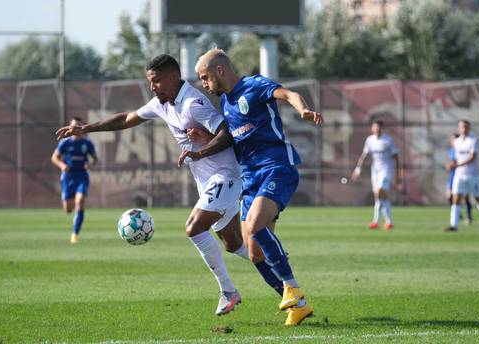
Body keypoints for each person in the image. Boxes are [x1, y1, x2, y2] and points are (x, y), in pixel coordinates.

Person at [56, 54, 249, 315]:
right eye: (150, 81)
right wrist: (86, 129)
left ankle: (228, 291)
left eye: (157, 80)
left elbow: (227, 132)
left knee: (194, 228)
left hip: (226, 175)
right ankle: (281, 273)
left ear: (174, 77)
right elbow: (126, 119)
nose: (152, 87)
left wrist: (199, 151)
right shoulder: (163, 104)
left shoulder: (193, 103)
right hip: (207, 181)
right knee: (234, 244)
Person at [188, 48, 323, 326]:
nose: (204, 84)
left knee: (254, 225)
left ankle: (292, 288)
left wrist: (303, 109)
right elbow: (233, 138)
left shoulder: (255, 85)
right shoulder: (225, 102)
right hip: (250, 178)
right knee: (254, 253)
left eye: (205, 77)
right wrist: (203, 138)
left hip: (277, 166)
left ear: (220, 71)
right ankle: (297, 306)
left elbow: (288, 94)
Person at [51, 117, 98, 244]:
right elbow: (54, 157)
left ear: (81, 128)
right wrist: (62, 165)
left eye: (77, 126)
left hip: (82, 176)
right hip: (68, 177)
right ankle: (68, 204)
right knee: (68, 209)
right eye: (73, 126)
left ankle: (75, 234)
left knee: (80, 202)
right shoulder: (65, 143)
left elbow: (95, 159)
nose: (74, 128)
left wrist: (90, 164)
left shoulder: (87, 143)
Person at [351, 120, 401, 230]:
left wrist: (398, 175)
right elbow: (364, 155)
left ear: (382, 128)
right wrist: (357, 169)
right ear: (372, 128)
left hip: (386, 170)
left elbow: (396, 157)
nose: (376, 129)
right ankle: (388, 222)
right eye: (374, 127)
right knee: (380, 197)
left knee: (379, 193)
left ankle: (376, 221)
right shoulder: (369, 140)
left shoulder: (388, 140)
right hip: (375, 171)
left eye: (378, 127)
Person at [444, 120, 479, 232]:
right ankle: (454, 225)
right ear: (459, 128)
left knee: (478, 199)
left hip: (472, 175)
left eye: (465, 127)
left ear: (469, 128)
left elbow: (472, 157)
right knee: (456, 199)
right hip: (459, 175)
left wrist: (457, 165)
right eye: (461, 127)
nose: (463, 129)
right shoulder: (457, 142)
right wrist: (451, 164)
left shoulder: (473, 140)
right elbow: (456, 158)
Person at [446, 133, 472, 224]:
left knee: (465, 197)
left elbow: (463, 160)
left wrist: (455, 164)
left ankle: (469, 216)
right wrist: (449, 166)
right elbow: (451, 163)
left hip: (462, 174)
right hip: (452, 176)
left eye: (454, 139)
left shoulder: (462, 149)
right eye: (451, 140)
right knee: (449, 197)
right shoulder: (450, 151)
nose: (452, 141)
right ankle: (458, 215)